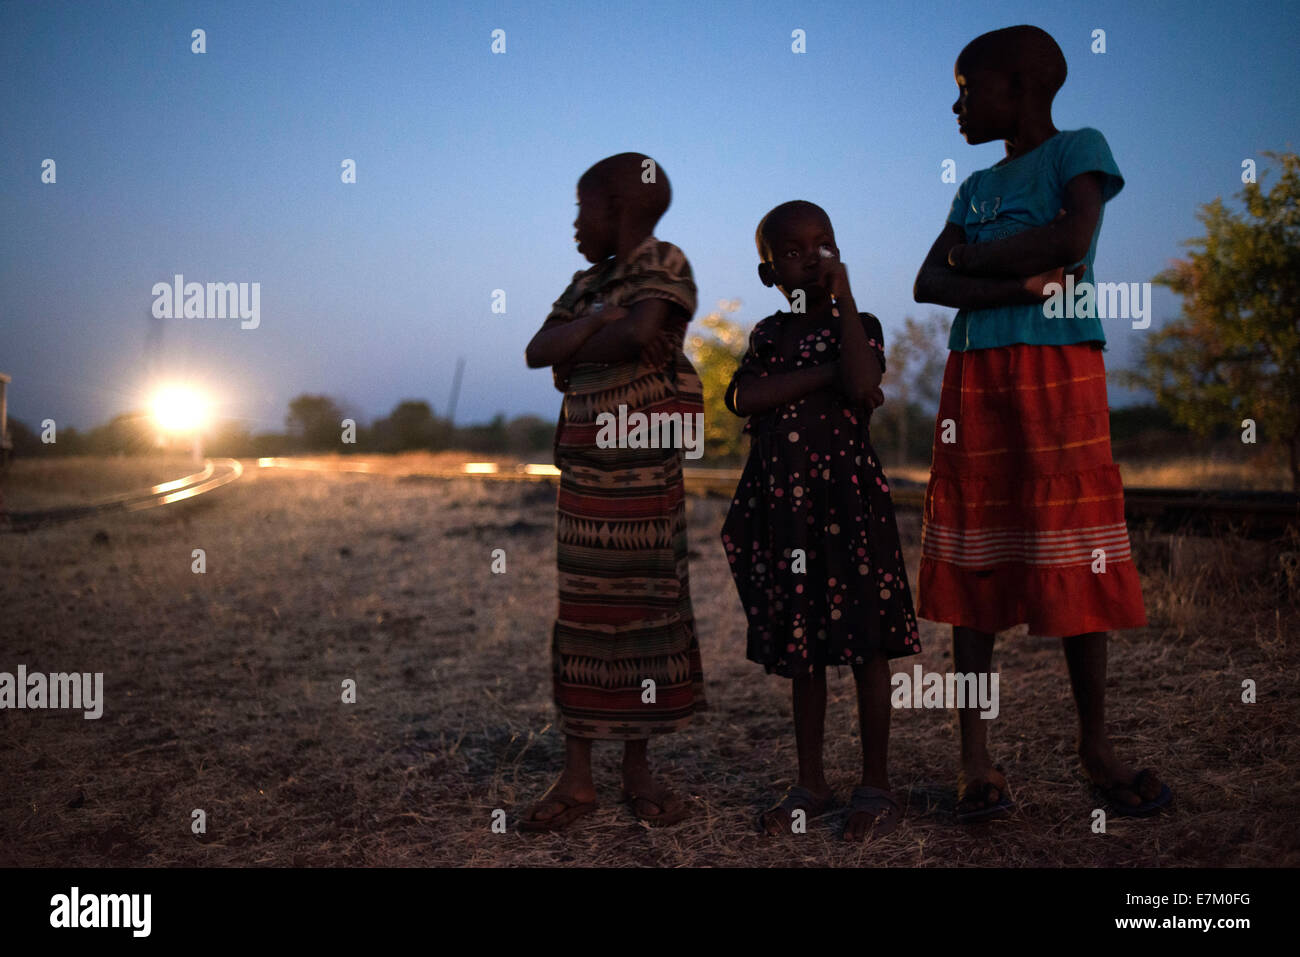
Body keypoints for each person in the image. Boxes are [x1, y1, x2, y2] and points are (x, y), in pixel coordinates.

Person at [913, 25, 1172, 821]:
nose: (956, 103)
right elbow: (928, 279)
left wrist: (972, 265)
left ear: (1020, 86)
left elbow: (1071, 239)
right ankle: (973, 757)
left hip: (1061, 373)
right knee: (975, 556)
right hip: (976, 377)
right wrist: (1019, 285)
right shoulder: (973, 188)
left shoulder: (1077, 150)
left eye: (968, 87)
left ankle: (1095, 748)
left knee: (1075, 544)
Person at [721, 201, 921, 841]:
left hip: (847, 504)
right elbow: (744, 397)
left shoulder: (859, 324)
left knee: (865, 644)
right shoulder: (767, 335)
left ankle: (876, 785)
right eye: (792, 250)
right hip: (788, 511)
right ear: (767, 272)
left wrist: (845, 308)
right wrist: (827, 375)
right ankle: (811, 783)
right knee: (803, 648)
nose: (811, 256)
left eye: (823, 243)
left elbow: (863, 384)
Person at [521, 153, 705, 831]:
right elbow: (539, 351)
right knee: (585, 618)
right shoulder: (586, 284)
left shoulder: (665, 262)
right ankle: (577, 780)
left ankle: (636, 770)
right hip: (588, 479)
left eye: (581, 208)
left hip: (646, 478)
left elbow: (641, 332)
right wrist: (599, 318)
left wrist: (586, 336)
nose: (574, 223)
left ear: (619, 209)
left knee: (643, 619)